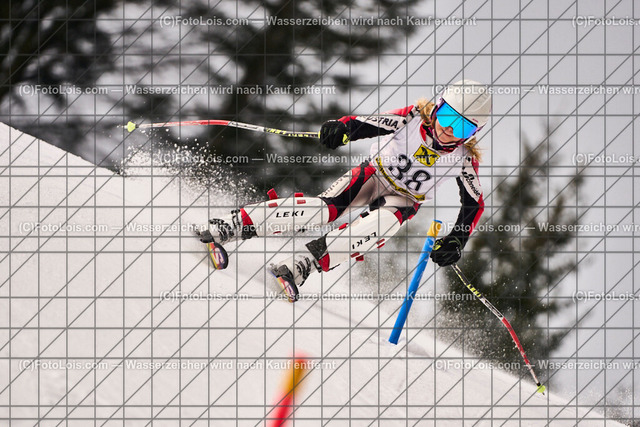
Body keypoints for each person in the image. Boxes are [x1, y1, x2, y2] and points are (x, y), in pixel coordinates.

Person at [200, 79, 491, 302]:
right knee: (324, 210)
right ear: (437, 108)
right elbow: (368, 123)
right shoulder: (414, 118)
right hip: (373, 174)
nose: (449, 130)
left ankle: (300, 264)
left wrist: (457, 239)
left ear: (472, 134)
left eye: (462, 128)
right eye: (448, 116)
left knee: (382, 225)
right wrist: (341, 129)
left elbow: (474, 205)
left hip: (404, 199)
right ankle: (231, 225)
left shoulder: (464, 159)